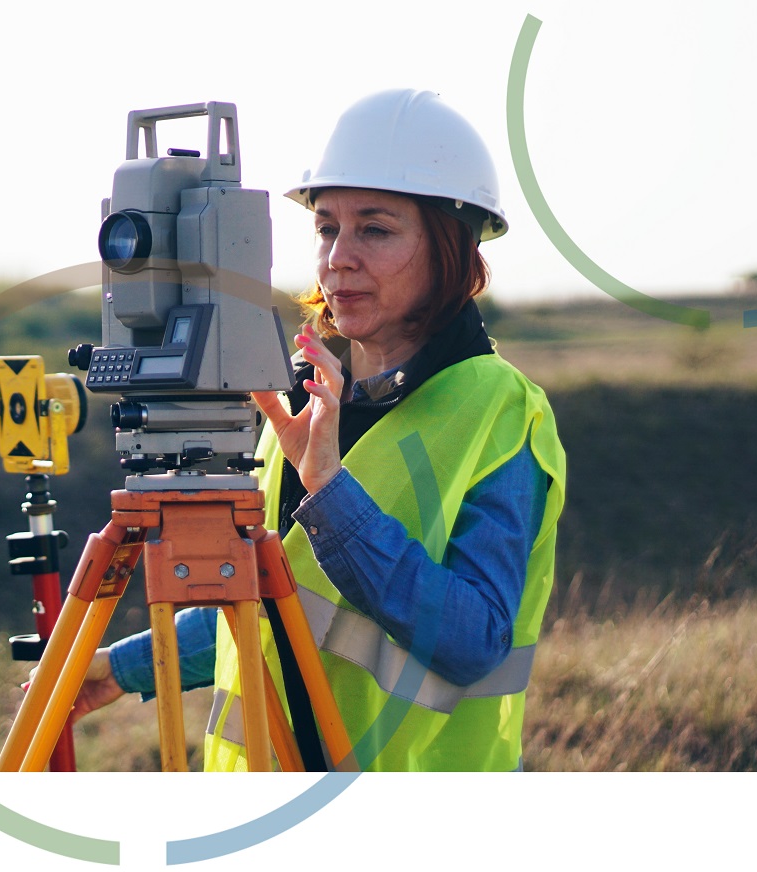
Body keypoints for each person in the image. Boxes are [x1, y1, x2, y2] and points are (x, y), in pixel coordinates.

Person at [58, 89, 566, 771]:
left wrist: (330, 495)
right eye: (327, 228)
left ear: (452, 246)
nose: (339, 258)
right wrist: (125, 668)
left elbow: (473, 642)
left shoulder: (498, 410)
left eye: (375, 230)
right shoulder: (302, 395)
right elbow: (273, 602)